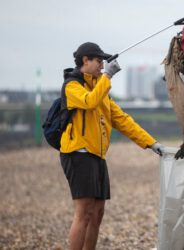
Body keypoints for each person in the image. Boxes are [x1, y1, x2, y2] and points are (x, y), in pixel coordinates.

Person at [59, 42, 164, 250]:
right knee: (84, 212)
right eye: (99, 61)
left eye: (103, 62)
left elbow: (122, 120)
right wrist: (107, 76)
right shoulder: (72, 86)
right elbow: (89, 101)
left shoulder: (101, 88)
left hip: (97, 155)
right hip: (78, 153)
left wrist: (151, 143)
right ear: (85, 60)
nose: (102, 65)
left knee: (97, 212)